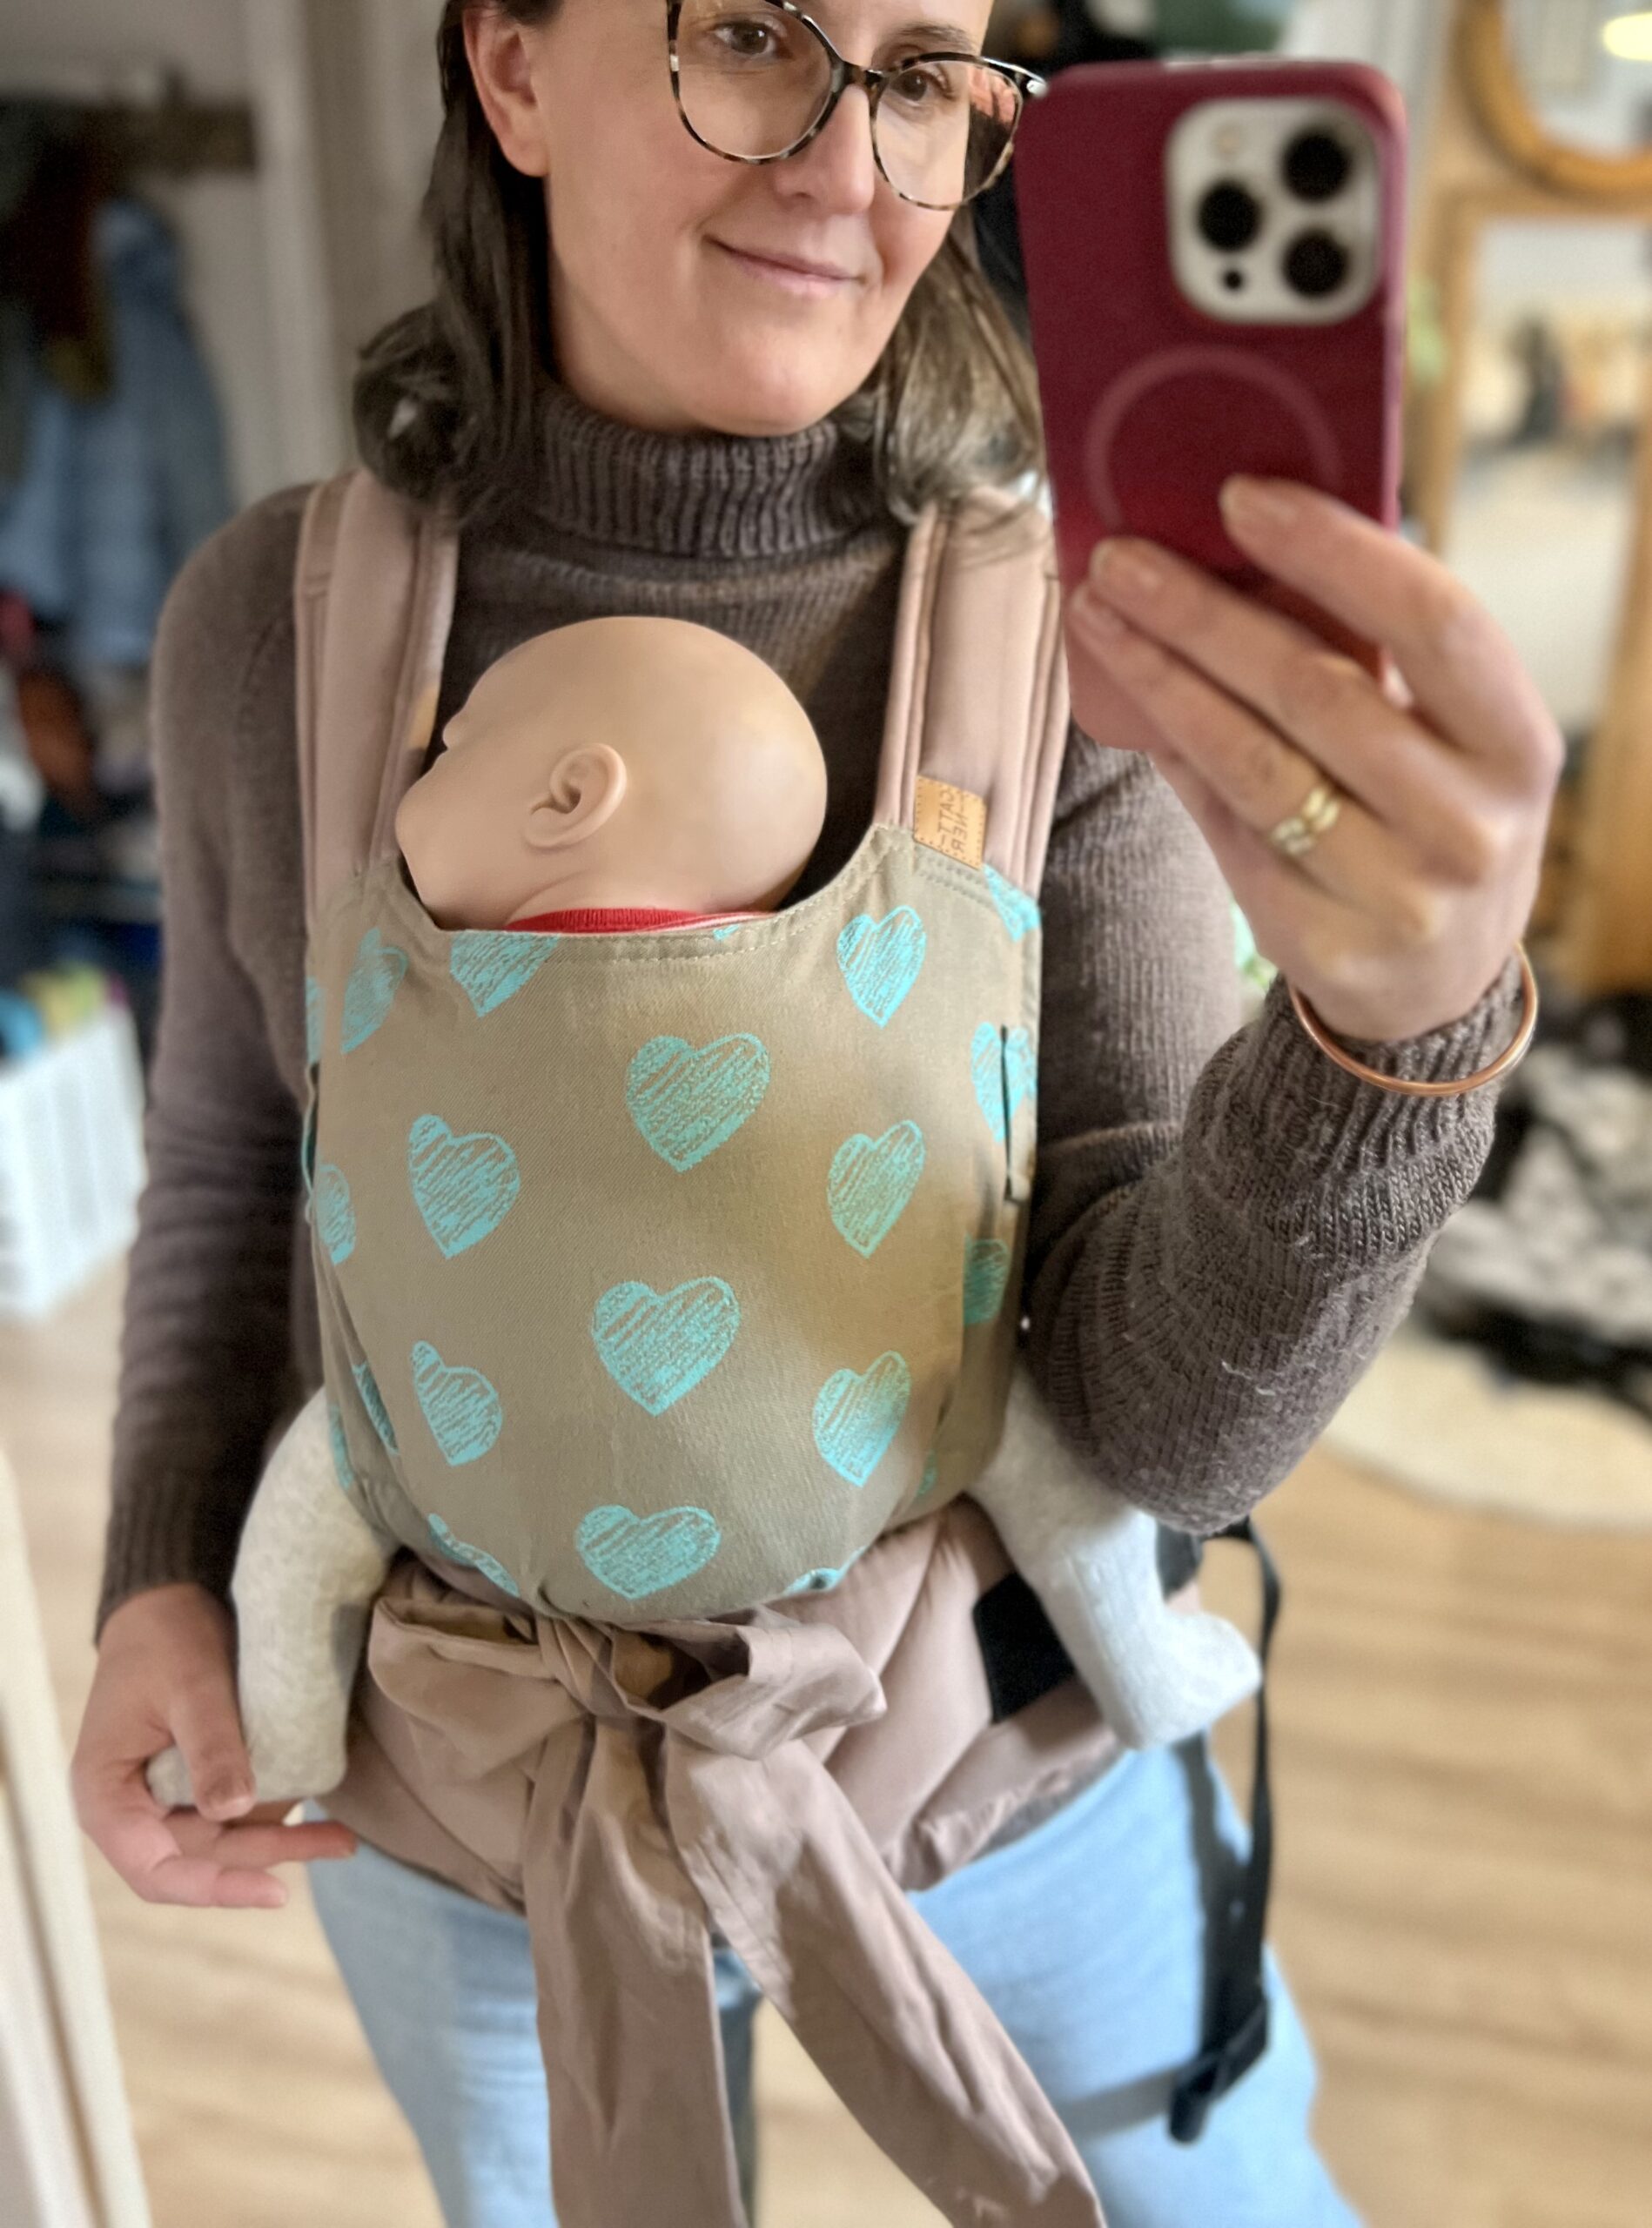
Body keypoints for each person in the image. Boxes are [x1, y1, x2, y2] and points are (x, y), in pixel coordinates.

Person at [71, 3, 1560, 2224]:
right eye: (756, 35)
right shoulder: (271, 634)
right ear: (511, 69)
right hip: (470, 1805)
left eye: (930, 71)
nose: (853, 163)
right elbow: (224, 1160)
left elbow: (1157, 1428)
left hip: (999, 1765)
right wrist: (160, 1575)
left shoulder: (1076, 647)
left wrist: (1383, 1042)